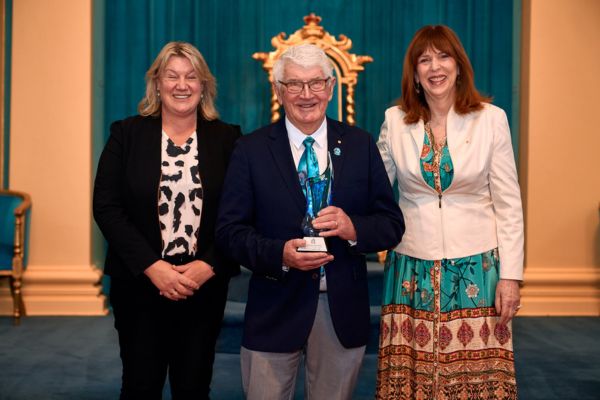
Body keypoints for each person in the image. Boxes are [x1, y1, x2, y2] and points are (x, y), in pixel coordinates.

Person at [216, 44, 405, 399]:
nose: (306, 95)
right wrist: (279, 254)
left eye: (316, 83)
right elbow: (229, 232)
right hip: (274, 305)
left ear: (331, 87)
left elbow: (391, 223)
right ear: (278, 90)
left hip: (340, 309)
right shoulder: (251, 150)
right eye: (294, 85)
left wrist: (353, 229)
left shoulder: (360, 145)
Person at [375, 25, 524, 399]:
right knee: (412, 377)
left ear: (459, 65)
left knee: (475, 377)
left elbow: (509, 204)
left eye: (443, 57)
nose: (435, 67)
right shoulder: (395, 121)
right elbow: (372, 190)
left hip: (477, 266)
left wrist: (512, 277)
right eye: (424, 60)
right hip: (410, 266)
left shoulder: (491, 119)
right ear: (415, 73)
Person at [93, 41, 241, 399]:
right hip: (139, 283)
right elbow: (106, 207)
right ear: (156, 82)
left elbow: (239, 214)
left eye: (191, 77)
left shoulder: (228, 139)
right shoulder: (126, 134)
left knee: (193, 386)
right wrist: (151, 266)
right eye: (171, 76)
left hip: (203, 283)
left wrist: (208, 265)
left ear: (204, 85)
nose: (181, 84)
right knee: (140, 385)